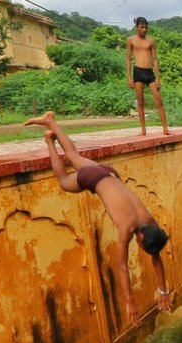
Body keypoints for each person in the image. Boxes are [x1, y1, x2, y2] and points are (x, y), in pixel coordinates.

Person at [25, 111, 173, 326]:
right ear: (140, 238)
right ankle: (49, 139)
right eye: (141, 246)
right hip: (94, 178)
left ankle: (51, 124)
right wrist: (130, 301)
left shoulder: (150, 224)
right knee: (65, 181)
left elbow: (156, 256)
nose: (139, 248)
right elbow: (122, 266)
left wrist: (163, 291)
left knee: (72, 153)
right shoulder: (129, 227)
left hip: (108, 173)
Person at [125, 17, 172, 136]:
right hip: (138, 72)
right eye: (141, 27)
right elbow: (127, 59)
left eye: (146, 27)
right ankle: (143, 129)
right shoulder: (130, 40)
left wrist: (158, 78)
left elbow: (155, 59)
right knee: (140, 102)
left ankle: (165, 128)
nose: (144, 29)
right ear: (137, 27)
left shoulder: (151, 41)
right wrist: (129, 77)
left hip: (149, 73)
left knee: (159, 101)